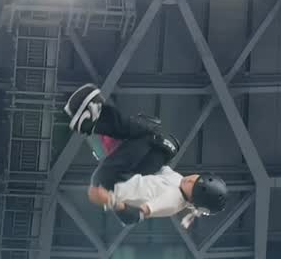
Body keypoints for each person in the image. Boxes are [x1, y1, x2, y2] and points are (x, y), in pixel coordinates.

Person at [64, 83, 227, 229]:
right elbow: (158, 160)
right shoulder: (178, 182)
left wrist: (110, 200)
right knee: (166, 144)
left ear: (193, 200)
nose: (189, 180)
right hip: (126, 172)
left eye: (193, 187)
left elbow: (136, 216)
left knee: (151, 134)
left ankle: (95, 119)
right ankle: (93, 122)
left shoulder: (172, 201)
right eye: (196, 178)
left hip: (114, 182)